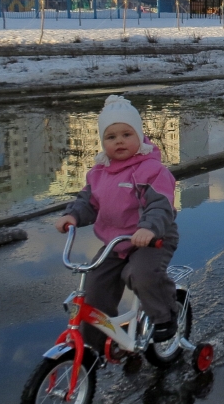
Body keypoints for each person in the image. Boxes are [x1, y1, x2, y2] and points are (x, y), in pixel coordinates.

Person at [54, 95, 179, 349]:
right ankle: (93, 346)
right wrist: (73, 215)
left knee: (141, 274)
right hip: (117, 242)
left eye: (126, 134)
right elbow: (87, 202)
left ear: (139, 136)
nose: (119, 141)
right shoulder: (98, 173)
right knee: (94, 287)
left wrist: (148, 228)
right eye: (111, 137)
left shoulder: (151, 170)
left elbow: (160, 205)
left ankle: (165, 316)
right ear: (103, 142)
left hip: (152, 237)